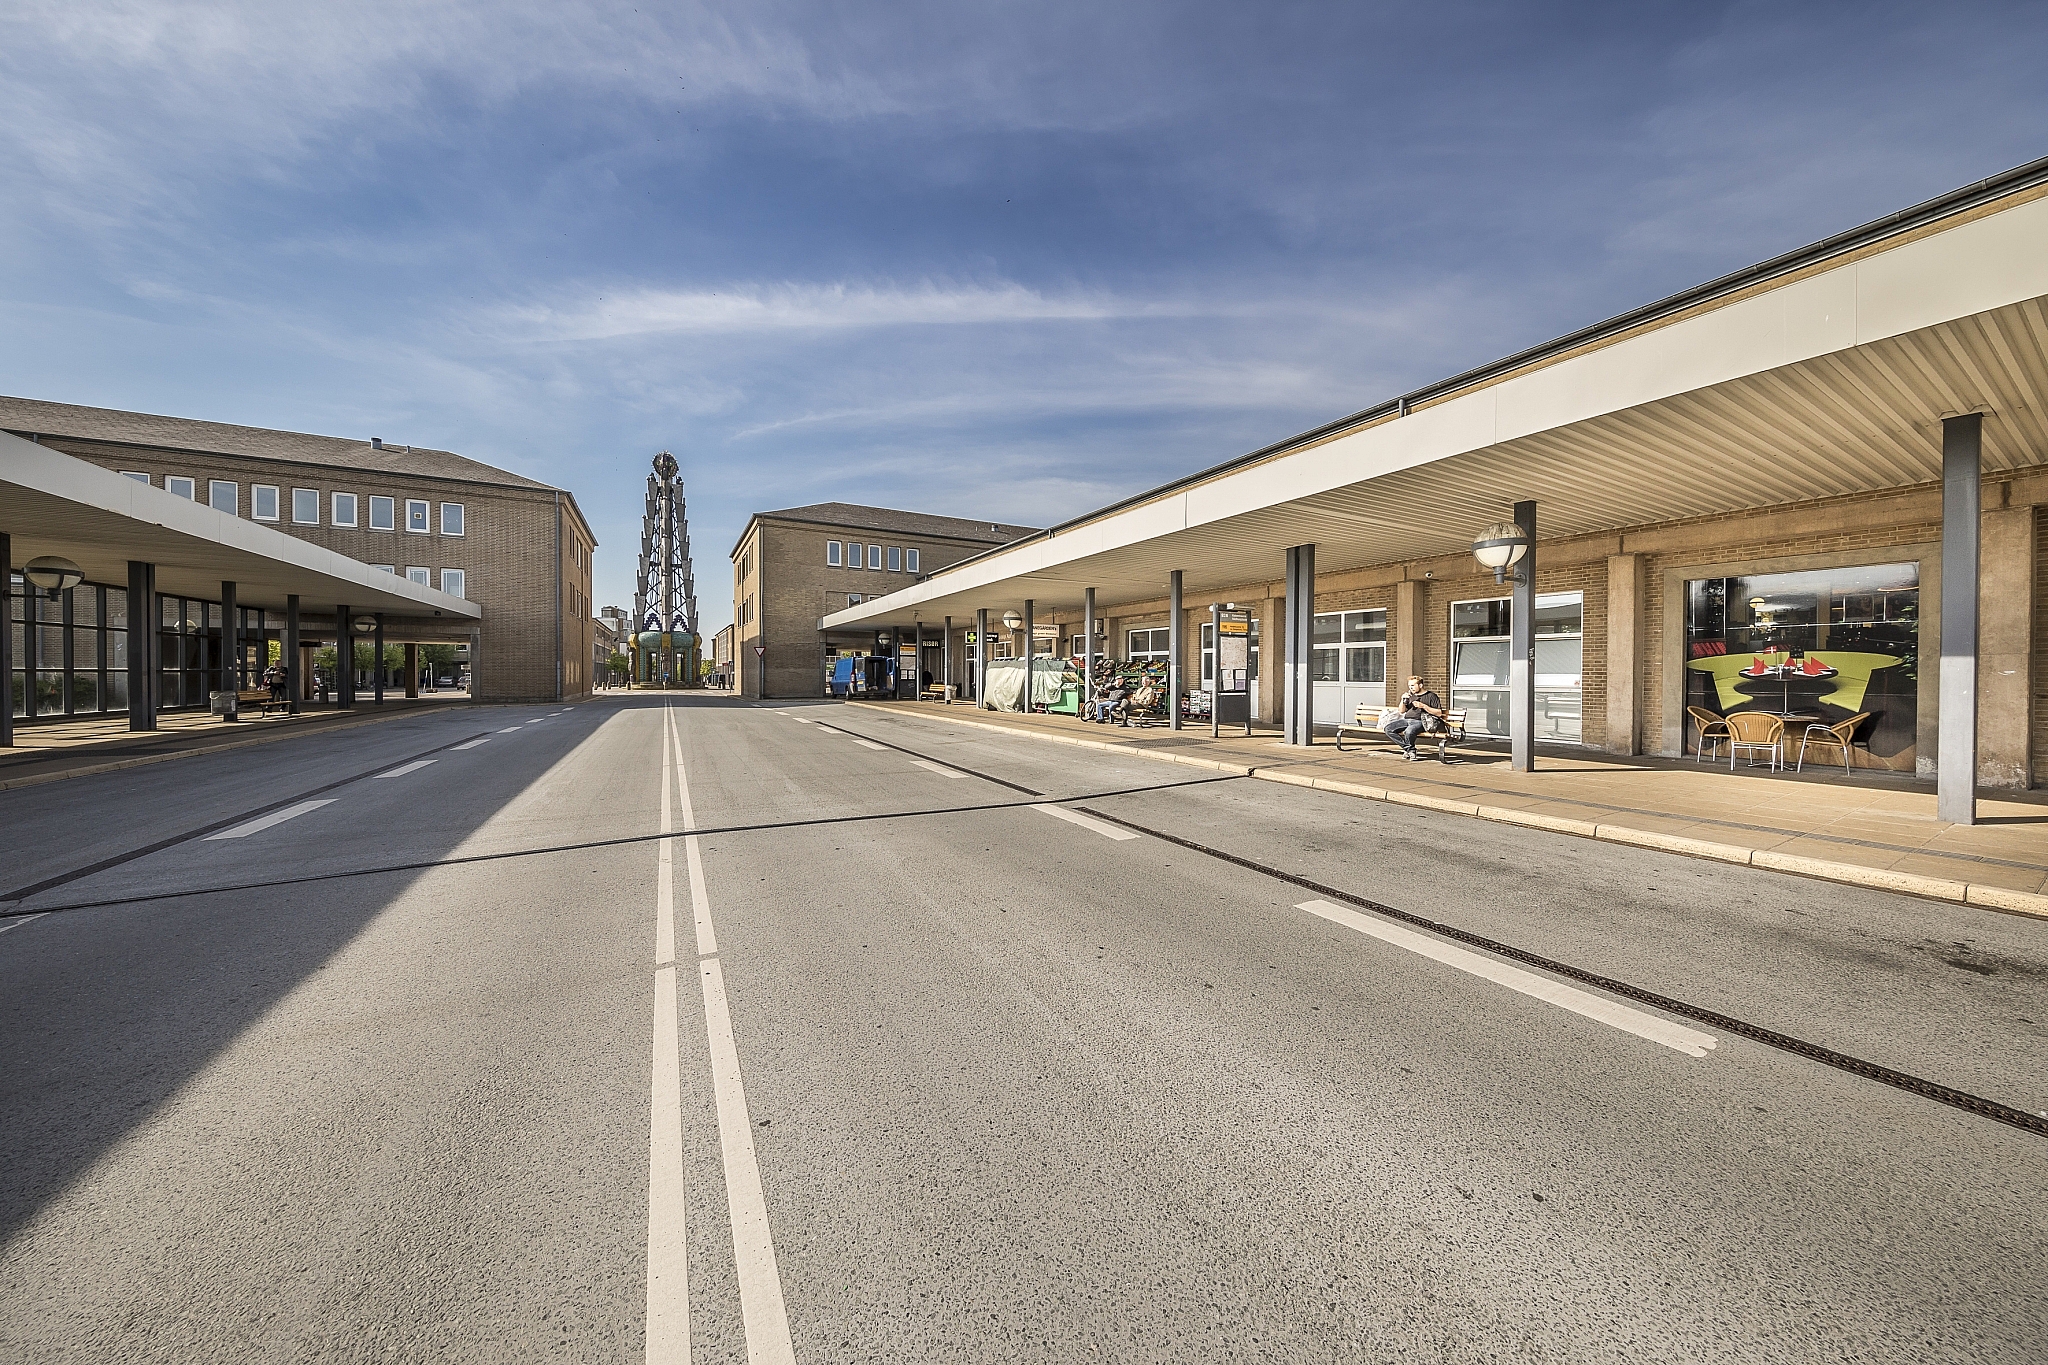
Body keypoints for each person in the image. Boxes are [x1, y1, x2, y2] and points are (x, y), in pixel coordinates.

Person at [1384, 675, 1446, 759]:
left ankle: (1409, 751)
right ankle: (1410, 749)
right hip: (1406, 720)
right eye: (1409, 686)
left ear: (1420, 685)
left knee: (1409, 731)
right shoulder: (1410, 696)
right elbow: (1401, 711)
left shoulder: (1431, 696)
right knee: (1388, 728)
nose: (1410, 688)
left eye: (1413, 686)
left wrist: (1423, 706)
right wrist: (1402, 700)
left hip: (1421, 721)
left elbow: (1439, 713)